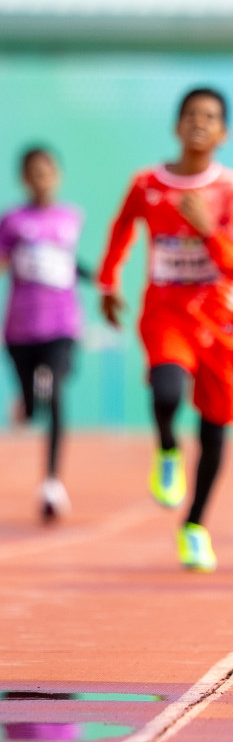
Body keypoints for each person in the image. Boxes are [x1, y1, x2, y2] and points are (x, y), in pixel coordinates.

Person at [98, 88, 233, 573]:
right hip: (166, 312)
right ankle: (167, 448)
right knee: (166, 390)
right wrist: (108, 282)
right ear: (176, 126)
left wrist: (209, 228)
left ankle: (195, 526)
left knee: (214, 431)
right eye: (191, 115)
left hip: (220, 323)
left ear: (224, 133)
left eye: (210, 117)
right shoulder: (147, 183)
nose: (199, 123)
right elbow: (122, 229)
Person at [0, 147, 85, 523]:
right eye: (33, 172)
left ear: (58, 175)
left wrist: (100, 279)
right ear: (24, 178)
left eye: (48, 171)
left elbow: (67, 262)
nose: (41, 178)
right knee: (35, 405)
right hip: (21, 329)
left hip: (62, 326)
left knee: (54, 389)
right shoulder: (12, 221)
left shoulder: (70, 218)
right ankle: (27, 401)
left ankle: (52, 481)